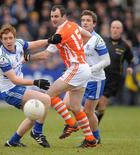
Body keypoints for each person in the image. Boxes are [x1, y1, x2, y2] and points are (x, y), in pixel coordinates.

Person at [29, 5, 97, 148]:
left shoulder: (60, 34)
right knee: (76, 107)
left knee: (48, 96)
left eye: (56, 16)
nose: (53, 19)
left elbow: (45, 55)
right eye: (52, 16)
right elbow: (89, 35)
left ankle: (67, 124)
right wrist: (77, 47)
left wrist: (26, 58)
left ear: (63, 16)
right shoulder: (73, 25)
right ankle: (90, 139)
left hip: (77, 68)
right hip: (84, 68)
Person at [0, 24, 61, 148]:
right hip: (10, 91)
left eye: (10, 38)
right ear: (1, 40)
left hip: (17, 88)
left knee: (34, 115)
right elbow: (15, 80)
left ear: (14, 38)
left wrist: (48, 40)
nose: (8, 41)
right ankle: (37, 132)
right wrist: (35, 82)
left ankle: (12, 142)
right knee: (46, 99)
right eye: (5, 39)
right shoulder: (2, 58)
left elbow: (33, 44)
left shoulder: (18, 44)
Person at [63, 10, 110, 144]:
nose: (85, 23)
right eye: (83, 20)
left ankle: (95, 137)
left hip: (96, 79)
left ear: (94, 24)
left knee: (89, 112)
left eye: (88, 20)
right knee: (67, 104)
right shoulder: (77, 38)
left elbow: (106, 61)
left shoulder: (97, 40)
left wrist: (90, 70)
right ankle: (75, 124)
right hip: (80, 78)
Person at [96, 20, 134, 123]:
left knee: (102, 100)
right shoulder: (103, 42)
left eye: (117, 28)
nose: (115, 30)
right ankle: (93, 122)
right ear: (110, 29)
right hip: (101, 75)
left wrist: (130, 67)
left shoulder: (125, 45)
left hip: (114, 78)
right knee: (96, 102)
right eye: (113, 27)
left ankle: (95, 126)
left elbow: (130, 59)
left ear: (121, 30)